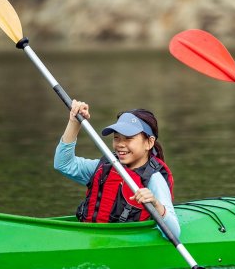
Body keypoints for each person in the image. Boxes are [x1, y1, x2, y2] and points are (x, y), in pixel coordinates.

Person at [54, 100, 180, 237]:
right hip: (92, 237)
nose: (120, 144)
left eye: (128, 138)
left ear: (149, 142)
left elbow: (174, 232)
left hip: (126, 245)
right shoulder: (105, 168)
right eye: (116, 138)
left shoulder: (154, 179)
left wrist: (156, 204)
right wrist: (74, 123)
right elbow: (63, 164)